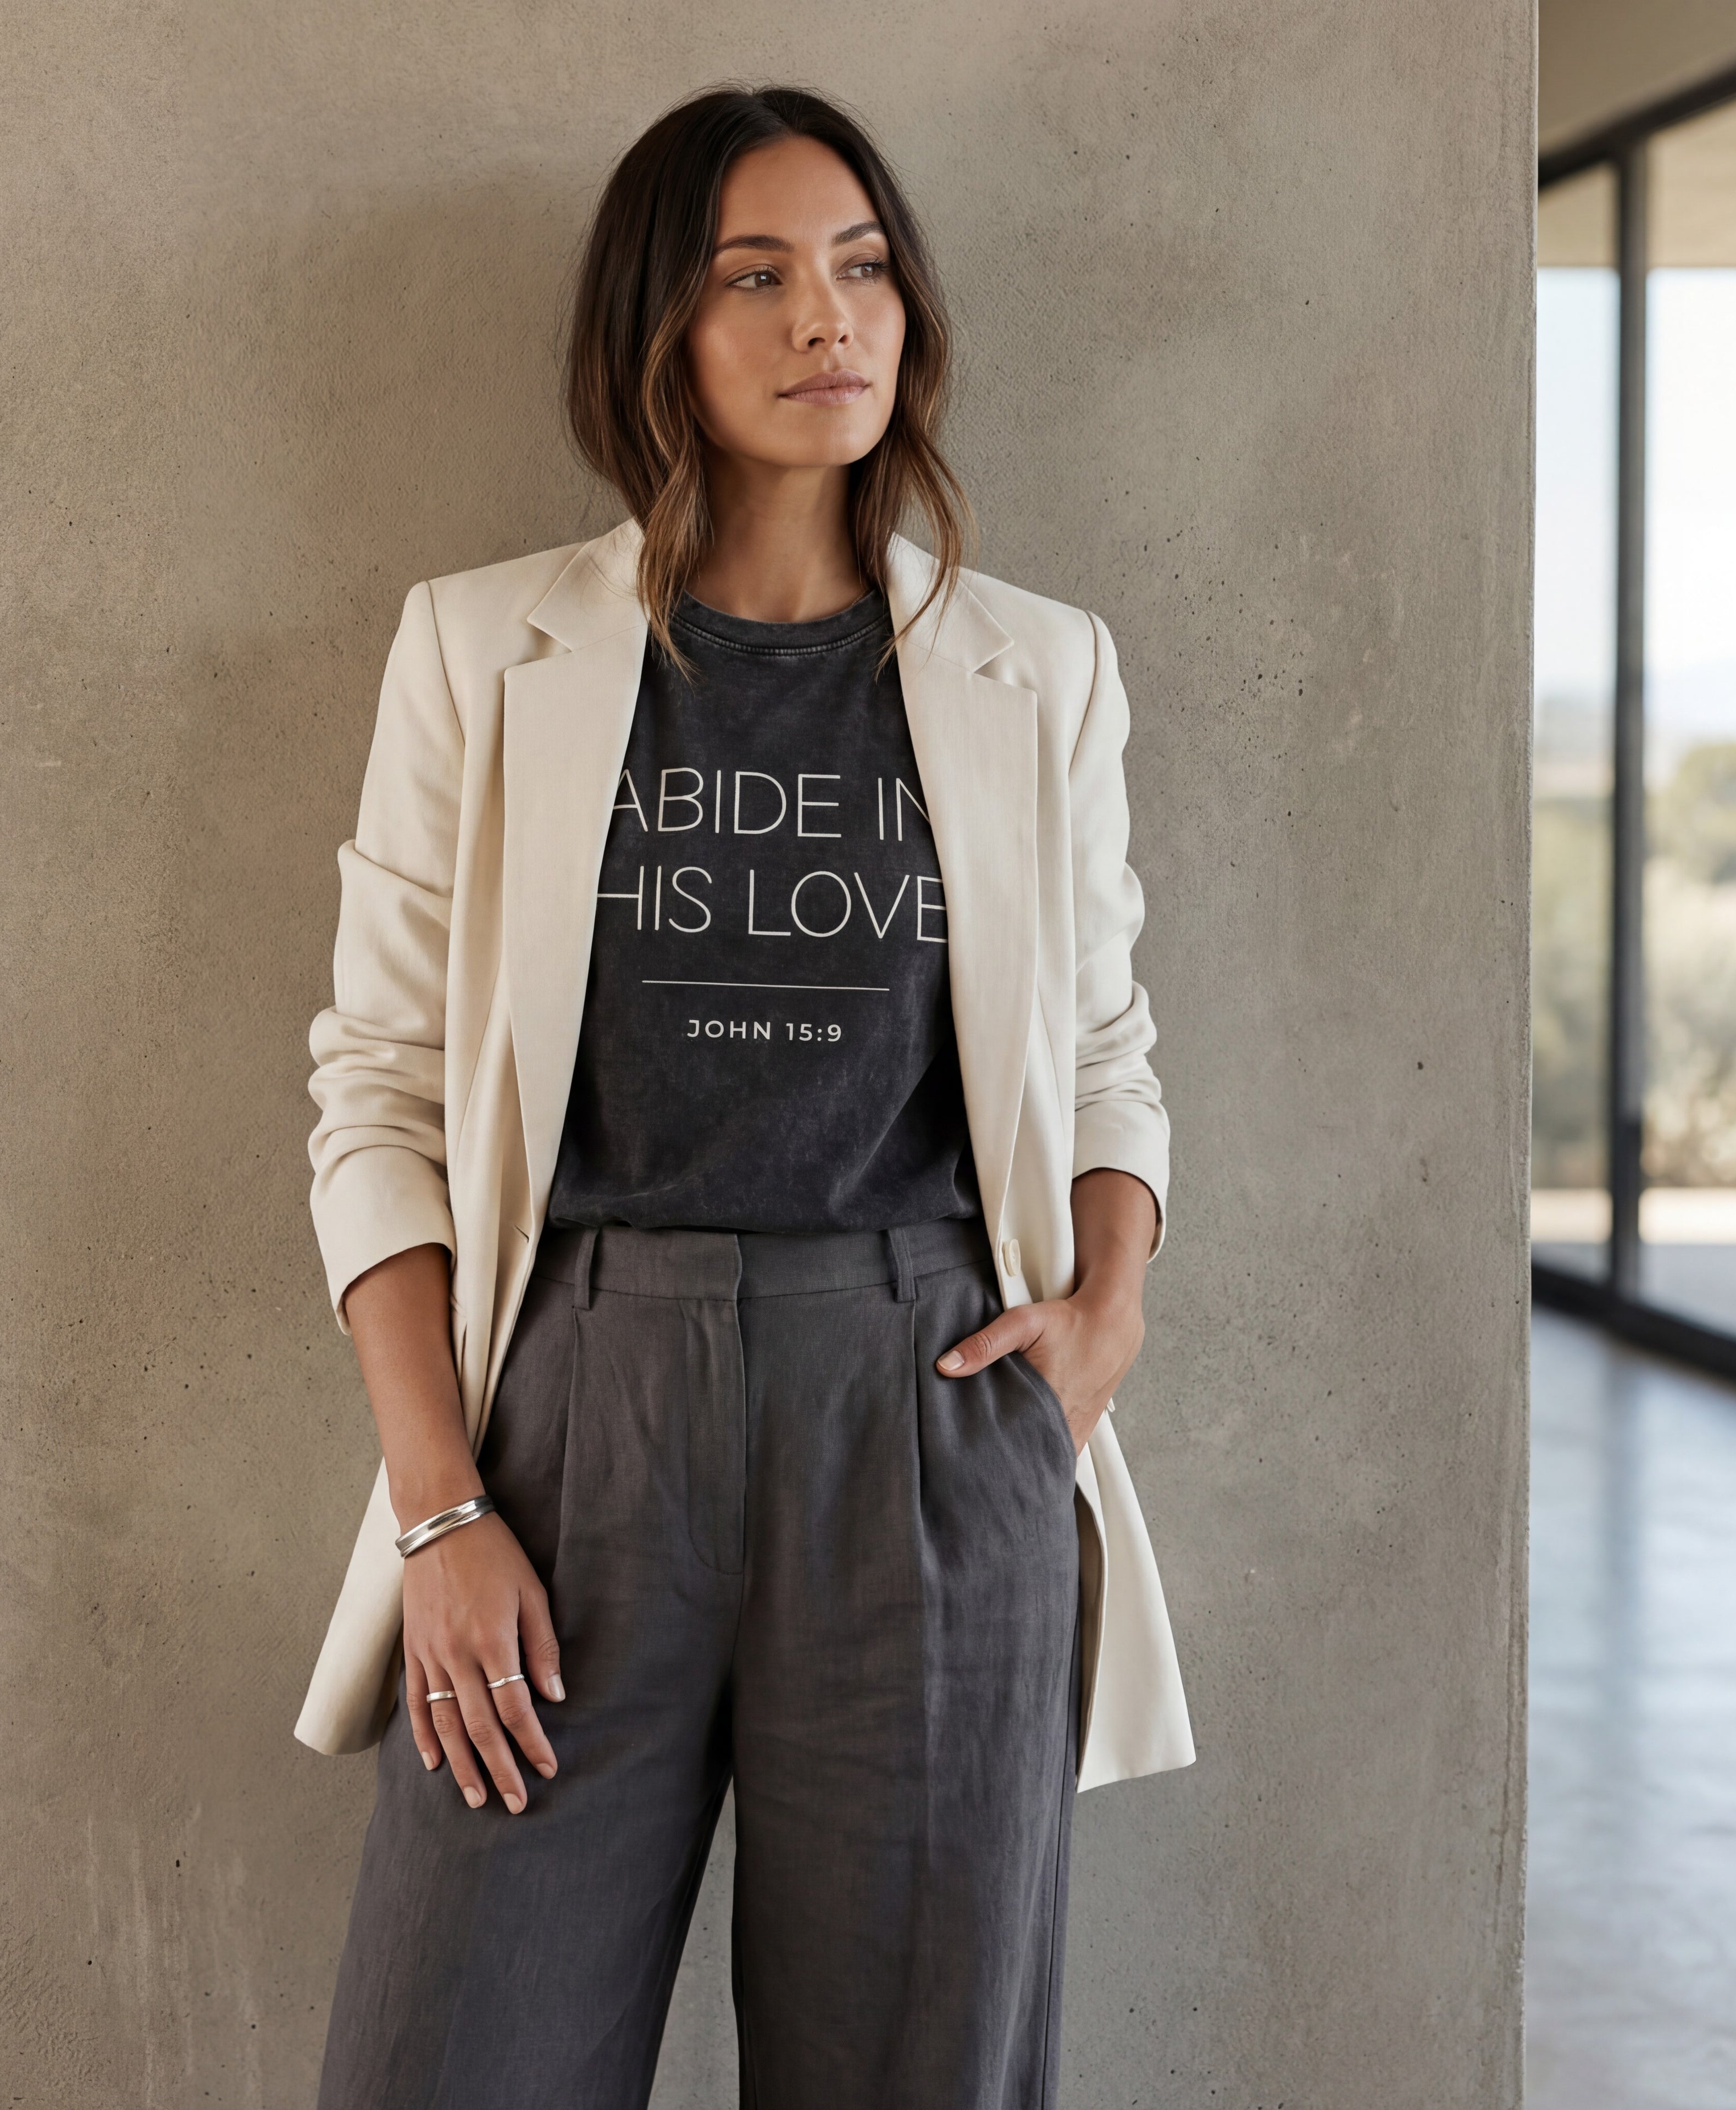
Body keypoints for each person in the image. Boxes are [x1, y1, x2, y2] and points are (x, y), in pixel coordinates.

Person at [298, 82, 1193, 2110]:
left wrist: (1107, 1318)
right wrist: (443, 1501)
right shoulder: (479, 648)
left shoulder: (1037, 671)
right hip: (572, 1423)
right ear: (662, 341)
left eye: (865, 268)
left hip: (931, 1404)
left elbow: (1108, 1052)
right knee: (457, 2063)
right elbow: (375, 1098)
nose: (830, 320)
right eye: (759, 276)